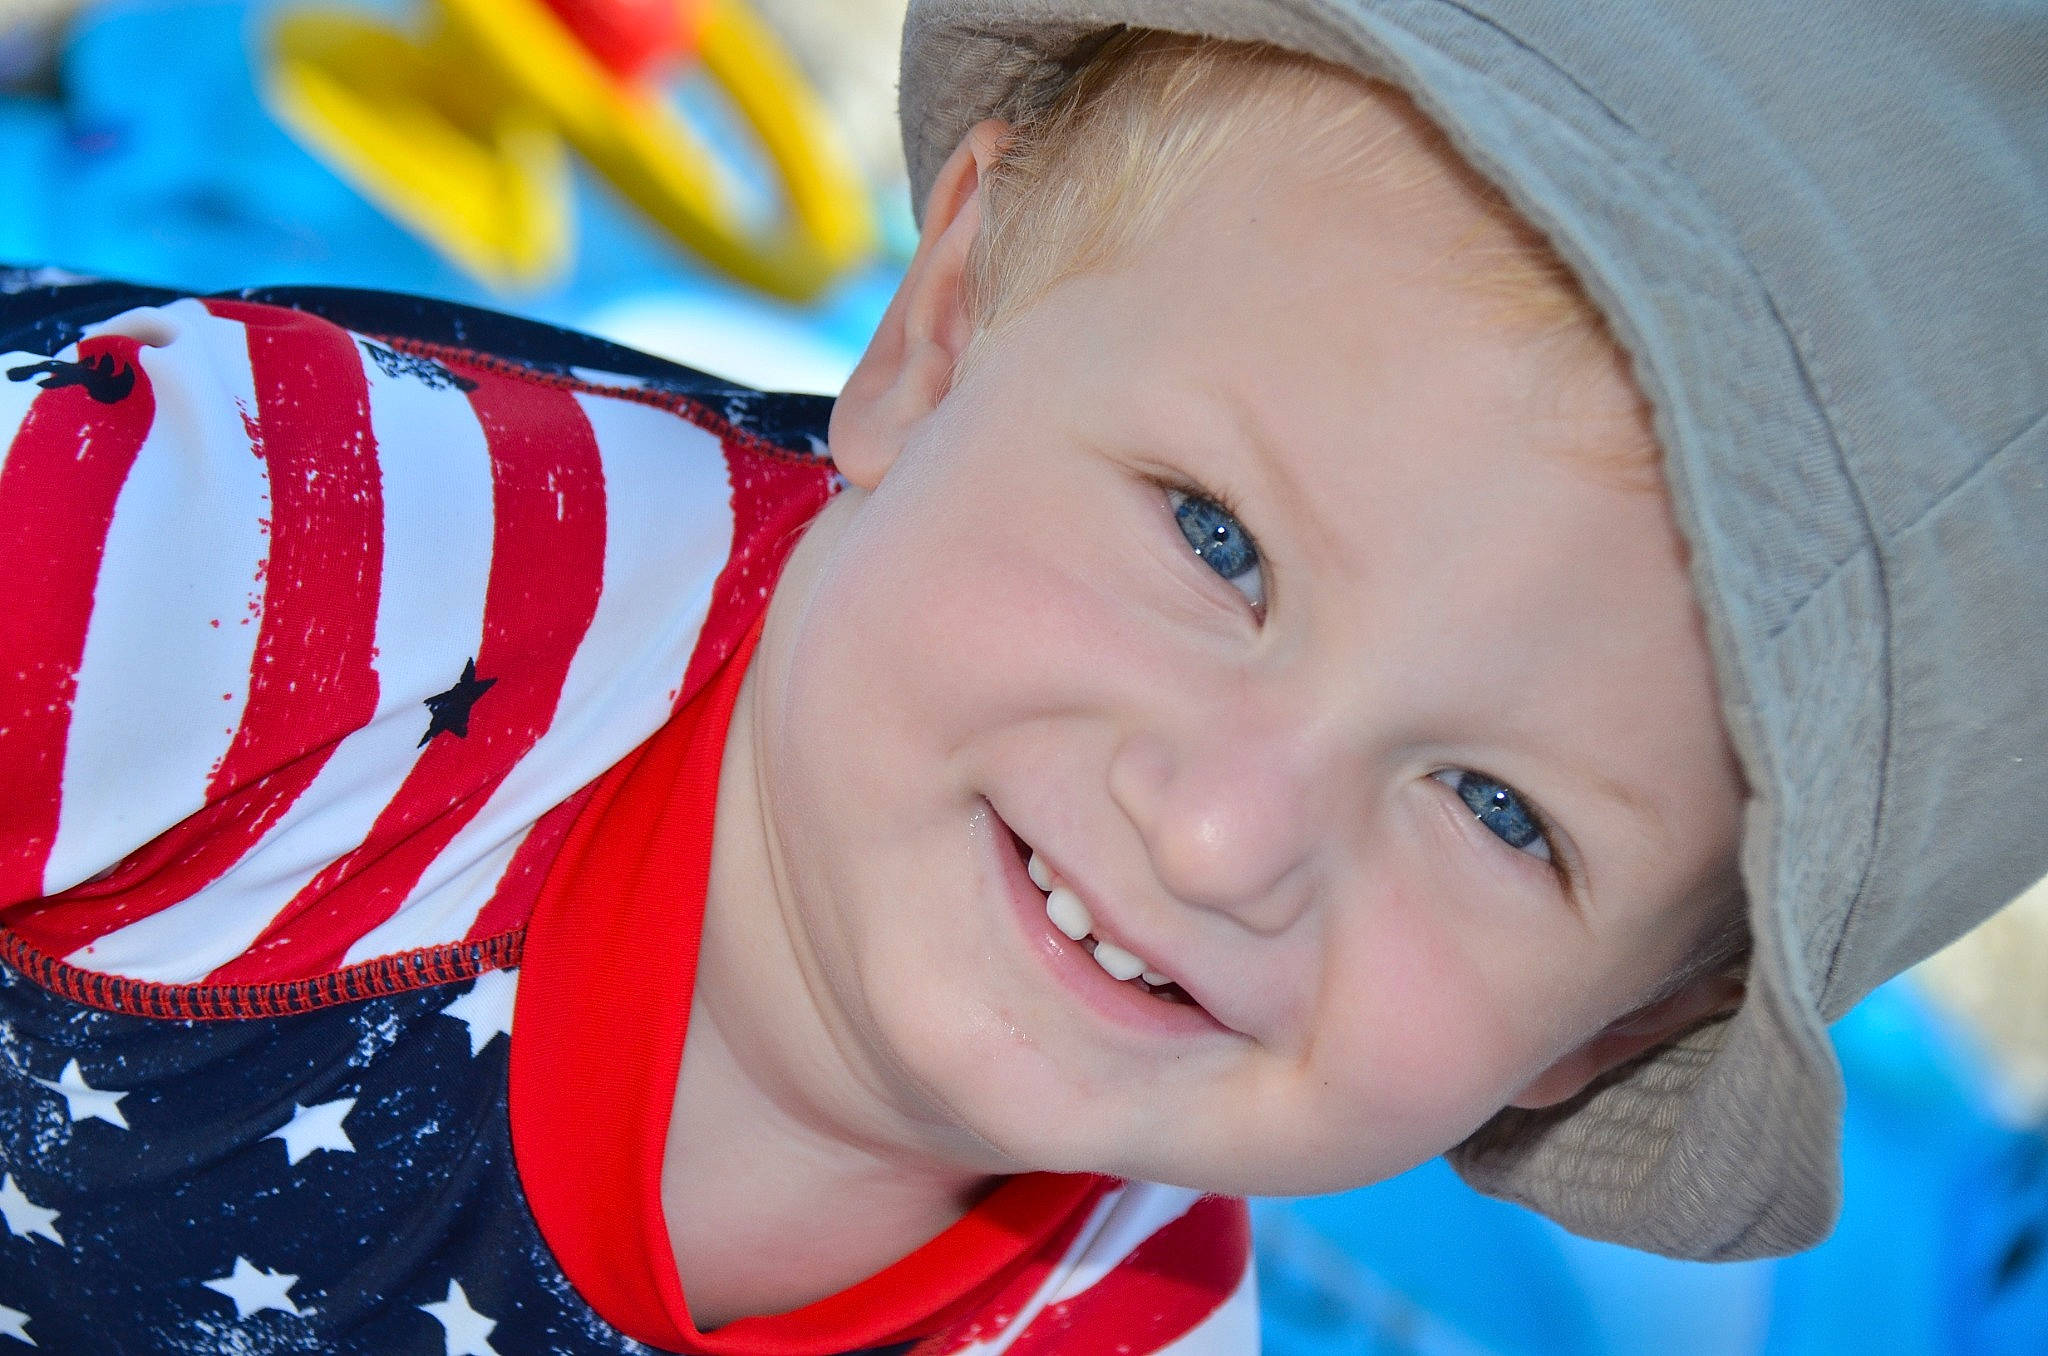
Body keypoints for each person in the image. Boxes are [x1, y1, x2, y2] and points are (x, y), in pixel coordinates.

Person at [1, 2, 2041, 1354]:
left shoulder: (1120, 1321)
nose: (1225, 832)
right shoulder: (234, 566)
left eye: (1499, 810)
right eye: (1215, 540)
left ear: (1611, 1033)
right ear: (944, 331)